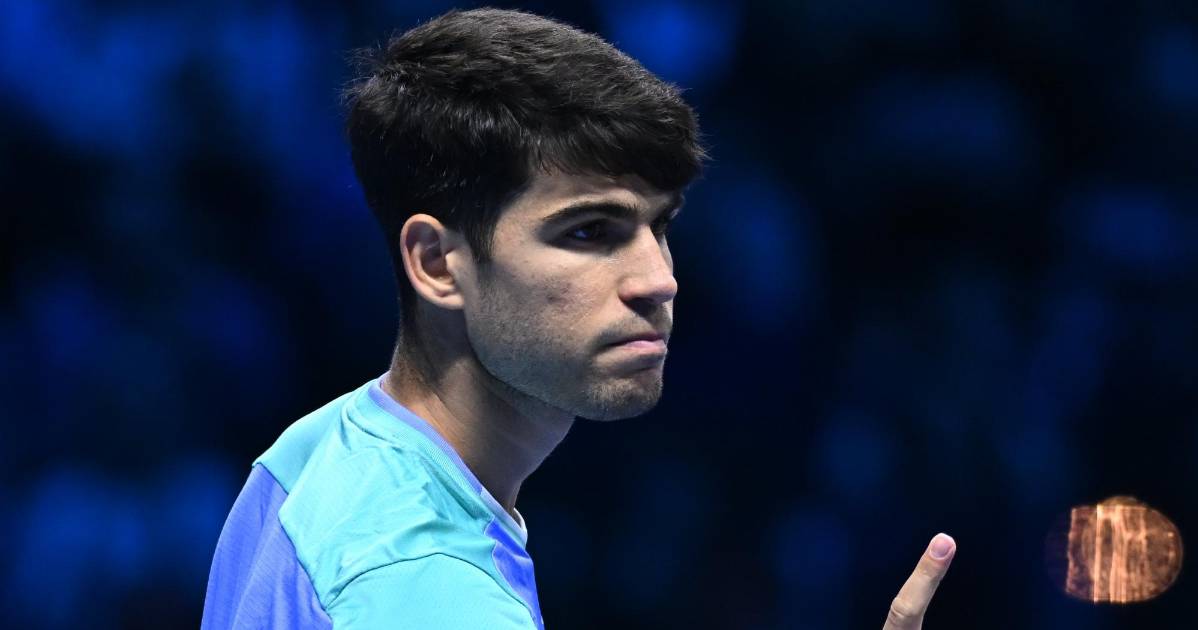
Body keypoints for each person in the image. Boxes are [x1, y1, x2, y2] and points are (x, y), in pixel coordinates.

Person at [200, 7, 955, 629]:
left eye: (660, 226)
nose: (659, 281)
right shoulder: (427, 587)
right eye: (590, 232)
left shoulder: (315, 453)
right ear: (437, 263)